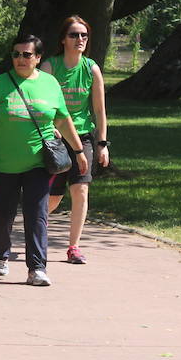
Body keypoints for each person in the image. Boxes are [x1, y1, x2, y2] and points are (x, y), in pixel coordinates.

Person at [0, 35, 89, 287]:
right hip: (3, 163)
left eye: (27, 55)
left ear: (38, 58)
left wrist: (79, 151)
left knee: (37, 213)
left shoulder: (49, 84)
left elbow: (62, 119)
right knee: (2, 215)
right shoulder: (0, 84)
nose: (20, 59)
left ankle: (36, 268)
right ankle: (0, 254)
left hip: (39, 162)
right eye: (16, 54)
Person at [41, 15, 110, 265]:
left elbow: (100, 111)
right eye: (74, 35)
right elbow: (40, 104)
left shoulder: (91, 69)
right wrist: (50, 127)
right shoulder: (49, 67)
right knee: (54, 198)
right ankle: (34, 229)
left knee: (81, 189)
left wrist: (102, 144)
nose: (80, 39)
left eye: (84, 35)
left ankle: (74, 247)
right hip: (55, 138)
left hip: (83, 137)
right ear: (63, 39)